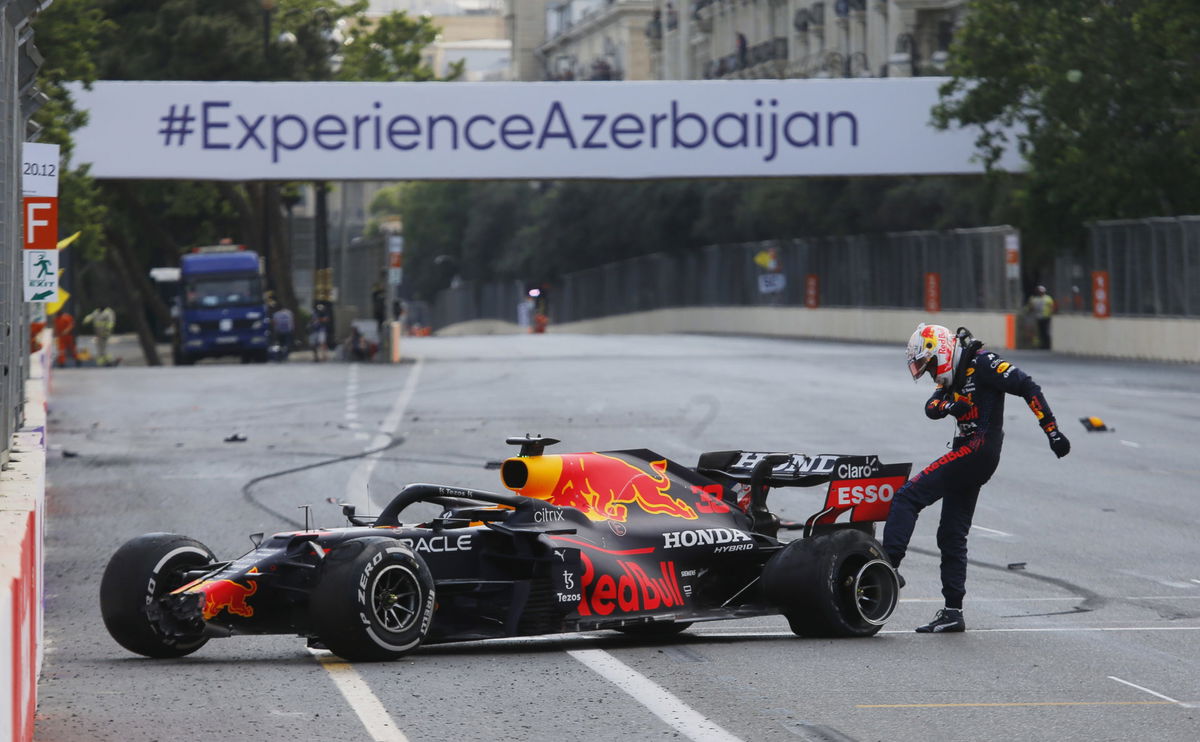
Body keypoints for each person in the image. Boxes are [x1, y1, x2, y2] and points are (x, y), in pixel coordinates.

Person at [885, 324, 1070, 633]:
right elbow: (931, 407)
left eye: (930, 365)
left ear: (941, 350)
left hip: (977, 451)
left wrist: (1051, 431)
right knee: (951, 534)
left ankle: (887, 569)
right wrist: (948, 405)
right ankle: (953, 612)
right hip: (971, 455)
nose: (931, 374)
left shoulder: (983, 363)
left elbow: (1028, 386)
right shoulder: (954, 372)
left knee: (907, 497)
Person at [1025, 285, 1056, 349]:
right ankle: (1040, 345)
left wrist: (1052, 314)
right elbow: (1030, 308)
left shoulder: (1048, 298)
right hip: (1037, 318)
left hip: (1046, 317)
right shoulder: (1034, 299)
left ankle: (1047, 345)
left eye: (1041, 292)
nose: (1040, 293)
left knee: (1046, 332)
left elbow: (1052, 307)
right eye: (1039, 291)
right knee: (1039, 332)